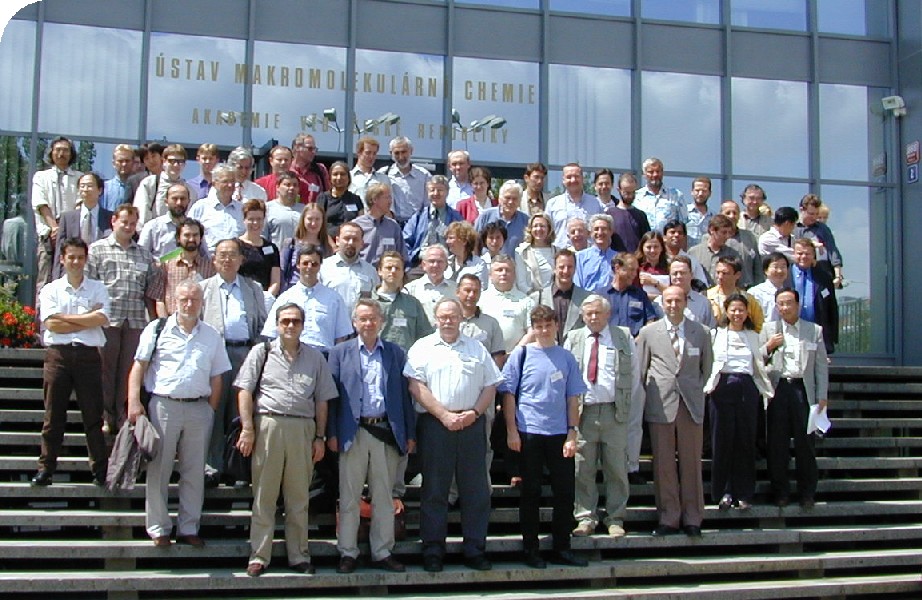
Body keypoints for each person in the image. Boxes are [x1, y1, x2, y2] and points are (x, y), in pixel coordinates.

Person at [126, 279, 231, 548]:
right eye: (184, 299)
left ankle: (188, 527)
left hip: (199, 407)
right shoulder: (157, 329)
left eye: (194, 300)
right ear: (174, 301)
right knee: (159, 469)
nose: (189, 304)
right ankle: (159, 528)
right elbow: (139, 367)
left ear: (201, 303)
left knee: (194, 471)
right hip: (164, 405)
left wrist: (210, 409)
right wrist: (134, 402)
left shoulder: (211, 335)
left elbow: (218, 376)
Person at [236, 302, 337, 576]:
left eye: (295, 321)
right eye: (285, 321)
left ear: (303, 325)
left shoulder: (315, 358)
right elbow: (244, 391)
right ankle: (259, 556)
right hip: (268, 424)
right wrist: (248, 428)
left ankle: (299, 555)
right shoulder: (262, 352)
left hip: (303, 429)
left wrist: (319, 436)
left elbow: (322, 401)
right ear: (277, 325)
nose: (290, 326)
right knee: (264, 495)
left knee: (298, 497)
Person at [404, 298, 503, 573]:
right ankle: (433, 550)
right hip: (436, 425)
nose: (448, 321)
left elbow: (490, 385)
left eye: (453, 316)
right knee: (435, 490)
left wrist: (473, 413)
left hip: (471, 424)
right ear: (436, 318)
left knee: (476, 491)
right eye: (443, 316)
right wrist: (443, 415)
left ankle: (475, 550)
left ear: (461, 318)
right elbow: (415, 386)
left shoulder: (476, 348)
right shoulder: (422, 347)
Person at [328, 299, 415, 574]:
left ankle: (382, 552)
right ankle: (348, 552)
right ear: (354, 322)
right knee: (350, 496)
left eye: (373, 319)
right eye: (363, 319)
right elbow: (331, 399)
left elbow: (404, 397)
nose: (368, 323)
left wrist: (409, 434)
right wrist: (330, 432)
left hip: (384, 432)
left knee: (383, 496)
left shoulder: (395, 353)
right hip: (352, 432)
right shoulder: (339, 353)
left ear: (382, 322)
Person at [502, 305, 588, 569]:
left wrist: (573, 432)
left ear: (556, 326)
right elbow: (508, 394)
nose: (543, 330)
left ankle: (561, 547)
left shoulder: (566, 358)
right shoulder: (522, 355)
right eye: (538, 326)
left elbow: (573, 398)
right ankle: (531, 549)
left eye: (548, 325)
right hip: (529, 432)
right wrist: (511, 431)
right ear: (533, 328)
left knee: (564, 492)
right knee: (531, 492)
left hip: (559, 432)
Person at [31, 237, 110, 487]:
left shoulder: (98, 288)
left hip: (88, 356)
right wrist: (87, 317)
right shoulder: (51, 289)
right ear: (63, 260)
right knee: (53, 415)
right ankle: (46, 469)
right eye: (71, 257)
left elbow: (102, 318)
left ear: (86, 260)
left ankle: (100, 469)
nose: (75, 262)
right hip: (59, 355)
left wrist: (69, 319)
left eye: (80, 257)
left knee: (93, 416)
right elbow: (51, 324)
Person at [638, 286, 714, 536]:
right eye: (668, 301)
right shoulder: (649, 333)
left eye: (677, 300)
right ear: (661, 303)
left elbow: (707, 368)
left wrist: (693, 389)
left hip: (690, 404)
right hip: (661, 403)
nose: (673, 305)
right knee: (663, 463)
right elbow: (641, 369)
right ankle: (668, 516)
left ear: (685, 302)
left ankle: (693, 517)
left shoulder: (701, 333)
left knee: (692, 462)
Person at [564, 295, 637, 540]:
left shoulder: (622, 337)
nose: (593, 317)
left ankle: (615, 518)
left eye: (598, 313)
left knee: (616, 468)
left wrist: (624, 406)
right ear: (583, 316)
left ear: (608, 314)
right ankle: (585, 517)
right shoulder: (573, 339)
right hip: (583, 412)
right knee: (582, 469)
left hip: (613, 411)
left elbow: (634, 374)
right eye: (589, 314)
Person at [200, 238, 268, 486]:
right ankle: (212, 466)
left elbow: (262, 324)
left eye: (232, 255)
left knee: (242, 412)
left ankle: (238, 467)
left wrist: (257, 354)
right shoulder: (204, 288)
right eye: (222, 255)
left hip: (245, 354)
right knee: (215, 411)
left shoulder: (253, 289)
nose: (227, 259)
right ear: (214, 260)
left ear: (241, 260)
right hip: (214, 355)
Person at [86, 203, 157, 432]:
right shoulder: (97, 250)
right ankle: (106, 416)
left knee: (128, 370)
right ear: (113, 221)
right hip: (108, 319)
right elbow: (90, 286)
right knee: (105, 370)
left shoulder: (144, 255)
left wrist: (154, 321)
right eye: (124, 222)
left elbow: (149, 291)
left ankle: (121, 414)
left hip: (135, 320)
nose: (128, 226)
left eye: (133, 223)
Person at [704, 293, 773, 510]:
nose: (737, 314)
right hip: (721, 387)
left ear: (747, 313)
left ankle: (744, 493)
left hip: (747, 388)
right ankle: (723, 492)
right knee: (722, 441)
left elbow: (759, 363)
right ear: (726, 311)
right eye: (733, 309)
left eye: (741, 310)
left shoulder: (754, 335)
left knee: (745, 441)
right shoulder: (715, 334)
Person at [761, 288, 828, 509]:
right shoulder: (769, 329)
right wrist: (769, 346)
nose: (785, 307)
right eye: (781, 304)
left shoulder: (814, 330)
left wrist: (822, 397)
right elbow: (757, 359)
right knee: (777, 444)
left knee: (805, 444)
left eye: (789, 303)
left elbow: (820, 368)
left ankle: (807, 492)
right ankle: (780, 492)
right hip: (778, 389)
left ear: (798, 305)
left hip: (803, 389)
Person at [263, 244, 352, 354]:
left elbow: (341, 337)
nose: (309, 267)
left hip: (324, 358)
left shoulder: (334, 299)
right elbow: (272, 333)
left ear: (320, 266)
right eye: (305, 263)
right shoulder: (285, 298)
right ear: (297, 265)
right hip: (292, 356)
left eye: (314, 264)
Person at [32, 136, 82, 294]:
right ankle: (42, 318)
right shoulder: (41, 176)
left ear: (71, 154)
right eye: (58, 150)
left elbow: (80, 205)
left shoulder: (79, 177)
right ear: (51, 153)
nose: (62, 153)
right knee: (44, 281)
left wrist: (63, 230)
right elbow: (41, 204)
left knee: (70, 280)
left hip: (71, 237)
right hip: (48, 236)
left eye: (66, 150)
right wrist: (55, 228)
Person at [149, 218, 214, 318]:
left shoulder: (210, 268)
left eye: (195, 235)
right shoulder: (166, 265)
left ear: (201, 238)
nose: (191, 239)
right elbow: (159, 300)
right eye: (187, 235)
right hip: (172, 322)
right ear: (178, 238)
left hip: (201, 324)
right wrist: (165, 324)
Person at [52, 172, 113, 278]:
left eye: (89, 186)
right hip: (72, 274)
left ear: (100, 190)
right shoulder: (67, 218)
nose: (85, 189)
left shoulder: (110, 218)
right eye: (82, 186)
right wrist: (57, 277)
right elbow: (59, 251)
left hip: (102, 275)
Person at [529, 248, 589, 345]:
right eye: (561, 267)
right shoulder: (538, 298)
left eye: (569, 267)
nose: (565, 271)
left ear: (575, 269)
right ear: (554, 268)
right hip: (547, 354)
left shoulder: (587, 298)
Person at [404, 175, 464, 269]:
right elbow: (405, 242)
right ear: (427, 192)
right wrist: (413, 257)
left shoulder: (456, 218)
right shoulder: (418, 217)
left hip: (448, 265)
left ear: (447, 192)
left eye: (440, 190)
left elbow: (462, 243)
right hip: (420, 264)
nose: (436, 193)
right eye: (432, 190)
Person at [319, 221, 380, 312]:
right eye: (347, 238)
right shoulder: (323, 268)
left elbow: (376, 304)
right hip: (332, 324)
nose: (351, 243)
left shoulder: (370, 271)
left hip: (361, 325)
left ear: (362, 243)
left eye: (355, 239)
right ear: (337, 241)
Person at [790, 238, 838, 354]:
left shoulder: (824, 277)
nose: (804, 257)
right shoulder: (786, 275)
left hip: (816, 333)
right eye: (800, 253)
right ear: (793, 254)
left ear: (813, 256)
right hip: (791, 332)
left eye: (808, 253)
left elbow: (832, 307)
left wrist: (833, 336)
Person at [187, 163, 246, 253]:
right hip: (207, 262)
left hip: (235, 262)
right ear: (214, 183)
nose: (230, 185)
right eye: (225, 181)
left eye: (232, 182)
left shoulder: (242, 210)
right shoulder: (200, 207)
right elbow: (188, 233)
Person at [133, 144, 197, 226]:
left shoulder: (190, 191)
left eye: (180, 162)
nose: (176, 165)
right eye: (172, 161)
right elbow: (141, 215)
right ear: (163, 161)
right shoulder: (150, 183)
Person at [545, 163, 605, 248]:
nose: (573, 180)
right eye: (569, 177)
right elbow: (547, 234)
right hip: (561, 256)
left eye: (576, 176)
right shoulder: (552, 204)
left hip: (588, 256)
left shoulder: (596, 203)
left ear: (582, 179)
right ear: (563, 180)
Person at [280, 203, 334, 291]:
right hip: (294, 291)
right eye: (310, 219)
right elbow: (282, 272)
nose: (313, 223)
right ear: (303, 220)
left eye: (317, 219)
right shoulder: (291, 244)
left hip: (319, 292)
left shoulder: (327, 248)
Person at [353, 181, 408, 267]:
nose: (390, 201)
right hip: (363, 274)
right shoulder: (357, 225)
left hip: (387, 276)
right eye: (387, 197)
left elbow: (402, 255)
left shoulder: (393, 226)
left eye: (390, 197)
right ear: (374, 199)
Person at [604, 252, 658, 337]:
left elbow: (650, 320)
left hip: (635, 344)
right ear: (617, 268)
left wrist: (640, 340)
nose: (635, 274)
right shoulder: (602, 295)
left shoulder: (640, 295)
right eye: (631, 269)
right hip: (609, 343)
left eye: (636, 270)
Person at [381, 136, 431, 225]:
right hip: (391, 224)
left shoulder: (424, 175)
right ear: (390, 153)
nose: (401, 157)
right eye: (397, 153)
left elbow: (429, 204)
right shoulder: (384, 174)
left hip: (417, 225)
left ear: (411, 151)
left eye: (404, 152)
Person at [706, 256, 765, 332]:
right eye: (718, 272)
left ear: (737, 275)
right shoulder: (706, 297)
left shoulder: (748, 299)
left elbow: (759, 327)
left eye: (725, 273)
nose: (720, 277)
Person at [654, 256, 716, 328]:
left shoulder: (703, 303)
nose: (679, 276)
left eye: (683, 273)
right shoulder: (658, 302)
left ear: (692, 275)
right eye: (675, 273)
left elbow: (711, 331)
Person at [796, 194, 844, 287]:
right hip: (799, 276)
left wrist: (838, 276)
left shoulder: (822, 228)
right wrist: (812, 245)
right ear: (802, 210)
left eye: (816, 214)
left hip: (822, 274)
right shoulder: (794, 228)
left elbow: (833, 250)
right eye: (811, 214)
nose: (814, 217)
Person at [238, 199, 281, 302]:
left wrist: (267, 298)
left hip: (264, 299)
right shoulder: (236, 246)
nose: (255, 223)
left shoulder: (272, 248)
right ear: (244, 220)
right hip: (241, 298)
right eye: (251, 219)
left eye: (259, 219)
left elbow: (275, 281)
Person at [403, 244, 457, 326]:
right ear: (424, 265)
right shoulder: (410, 289)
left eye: (440, 261)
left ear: (446, 265)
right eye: (431, 261)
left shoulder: (456, 289)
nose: (435, 265)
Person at [137, 183, 194, 260]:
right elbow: (141, 256)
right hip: (160, 271)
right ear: (166, 201)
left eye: (183, 199)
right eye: (175, 198)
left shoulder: (195, 228)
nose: (179, 203)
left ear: (189, 201)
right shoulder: (152, 227)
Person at [473, 180, 529, 256]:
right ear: (500, 199)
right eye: (507, 198)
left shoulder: (525, 221)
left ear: (519, 201)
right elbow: (474, 242)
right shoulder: (485, 216)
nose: (510, 202)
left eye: (515, 199)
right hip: (487, 265)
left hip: (514, 266)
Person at [687, 214, 743, 287]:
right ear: (712, 230)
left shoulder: (733, 254)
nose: (727, 236)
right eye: (724, 232)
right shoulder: (694, 252)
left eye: (729, 233)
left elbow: (739, 280)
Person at [634, 157, 686, 232]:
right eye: (651, 172)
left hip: (668, 242)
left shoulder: (676, 195)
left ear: (662, 172)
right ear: (644, 174)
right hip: (644, 242)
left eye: (658, 171)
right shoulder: (636, 197)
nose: (655, 175)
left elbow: (684, 225)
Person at [574, 214, 621, 295]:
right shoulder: (579, 257)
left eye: (604, 229)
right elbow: (577, 285)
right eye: (596, 229)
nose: (600, 232)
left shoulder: (619, 258)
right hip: (587, 302)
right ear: (591, 232)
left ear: (611, 232)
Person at [316, 161, 364, 239]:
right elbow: (319, 225)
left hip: (350, 243)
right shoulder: (323, 198)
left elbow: (361, 224)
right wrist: (333, 246)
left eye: (342, 174)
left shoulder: (356, 199)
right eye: (335, 174)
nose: (339, 177)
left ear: (348, 177)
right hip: (327, 244)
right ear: (330, 178)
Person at [606, 172, 650, 254]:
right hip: (616, 261)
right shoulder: (609, 214)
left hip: (636, 262)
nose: (630, 196)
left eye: (633, 192)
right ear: (619, 190)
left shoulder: (641, 216)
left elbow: (646, 241)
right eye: (626, 192)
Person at [514, 212, 555, 295]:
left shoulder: (557, 251)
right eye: (535, 226)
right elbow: (521, 283)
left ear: (549, 229)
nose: (539, 229)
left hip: (553, 297)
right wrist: (535, 297)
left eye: (542, 226)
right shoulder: (521, 251)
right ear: (530, 229)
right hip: (531, 297)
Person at [264, 171, 306, 249]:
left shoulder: (305, 210)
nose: (291, 188)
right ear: (277, 187)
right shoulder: (267, 208)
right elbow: (263, 237)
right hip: (276, 257)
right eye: (287, 185)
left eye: (295, 185)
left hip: (300, 257)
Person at [443, 220, 488, 289]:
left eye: (451, 238)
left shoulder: (479, 265)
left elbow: (481, 290)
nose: (447, 242)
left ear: (464, 241)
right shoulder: (446, 262)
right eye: (447, 238)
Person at [749, 252, 792, 323]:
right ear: (766, 270)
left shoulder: (790, 294)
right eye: (775, 267)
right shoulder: (755, 293)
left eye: (783, 267)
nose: (780, 271)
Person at [291, 133, 330, 204]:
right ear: (297, 148)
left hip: (314, 213)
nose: (313, 153)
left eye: (315, 149)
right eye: (310, 149)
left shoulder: (320, 170)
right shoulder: (287, 169)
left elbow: (328, 195)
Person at [349, 136, 389, 202]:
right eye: (368, 153)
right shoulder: (349, 177)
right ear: (359, 153)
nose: (371, 157)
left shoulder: (384, 179)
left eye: (374, 153)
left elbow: (390, 207)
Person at [100, 144, 136, 211]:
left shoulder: (139, 186)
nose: (124, 164)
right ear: (113, 163)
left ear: (133, 162)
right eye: (120, 161)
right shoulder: (104, 188)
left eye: (127, 161)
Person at [636, 231, 670, 300]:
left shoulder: (669, 268)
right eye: (648, 247)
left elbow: (674, 293)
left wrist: (653, 282)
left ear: (662, 248)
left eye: (656, 247)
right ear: (642, 248)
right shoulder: (636, 267)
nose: (652, 250)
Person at [685, 177, 714, 248]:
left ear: (710, 193)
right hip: (686, 254)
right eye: (697, 190)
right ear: (692, 192)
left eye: (704, 191)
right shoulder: (683, 212)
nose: (700, 194)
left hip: (705, 255)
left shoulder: (714, 217)